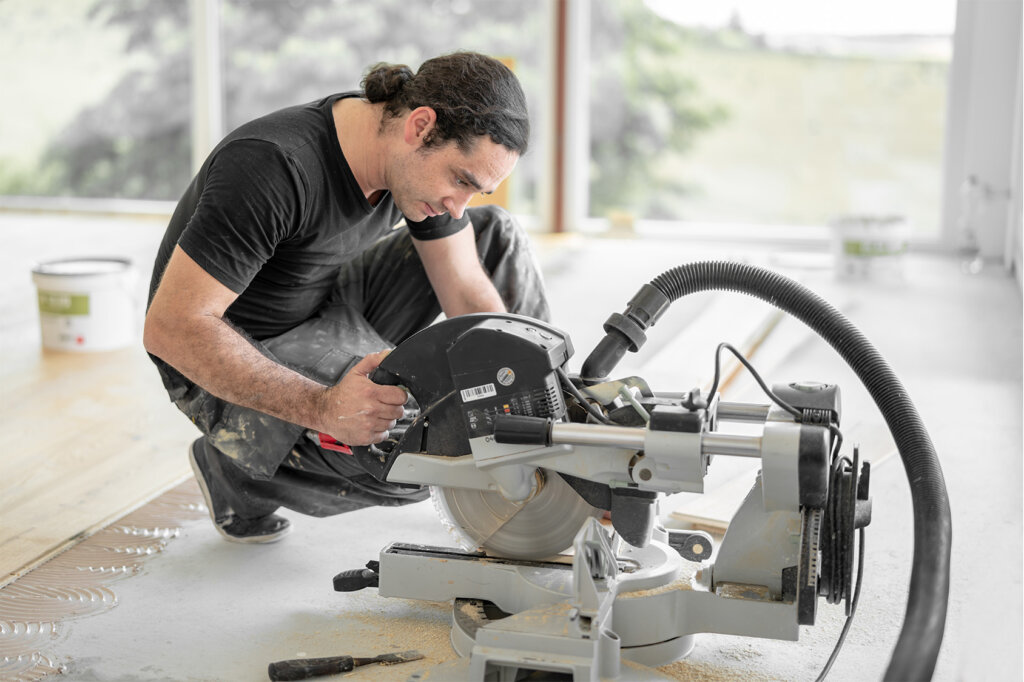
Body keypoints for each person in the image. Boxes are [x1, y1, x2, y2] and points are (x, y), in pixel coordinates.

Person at [143, 51, 550, 544]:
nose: (457, 205)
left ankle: (548, 420)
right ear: (421, 126)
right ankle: (237, 468)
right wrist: (323, 407)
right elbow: (171, 327)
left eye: (475, 190)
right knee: (418, 455)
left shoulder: (415, 165)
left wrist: (539, 404)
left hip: (326, 298)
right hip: (225, 347)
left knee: (497, 235)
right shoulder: (273, 165)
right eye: (462, 180)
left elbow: (465, 288)